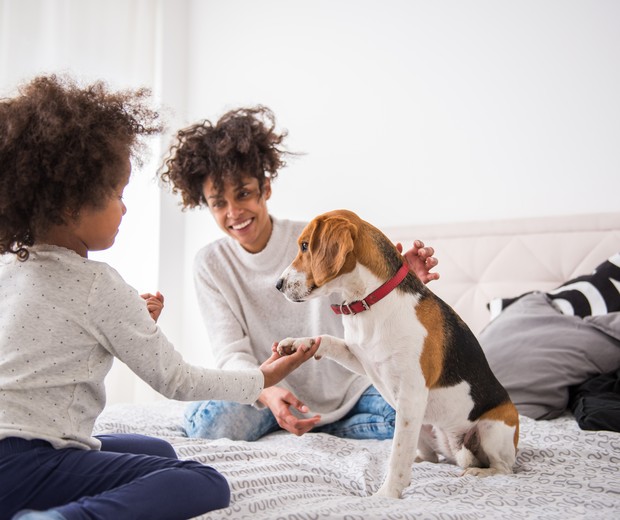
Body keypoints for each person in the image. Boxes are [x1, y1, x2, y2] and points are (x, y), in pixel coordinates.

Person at [0, 76, 319, 520]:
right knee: (200, 480)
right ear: (71, 204)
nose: (125, 209)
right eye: (117, 194)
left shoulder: (7, 268)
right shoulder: (97, 284)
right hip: (24, 464)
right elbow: (178, 381)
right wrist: (262, 379)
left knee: (156, 449)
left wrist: (133, 323)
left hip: (14, 449)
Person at [158, 106, 439, 442]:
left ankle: (321, 424)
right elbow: (231, 352)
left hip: (348, 388)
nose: (234, 212)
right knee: (210, 426)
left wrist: (397, 284)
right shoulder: (210, 263)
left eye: (244, 193)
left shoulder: (315, 239)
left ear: (265, 189)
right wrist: (266, 391)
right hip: (266, 388)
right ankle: (307, 422)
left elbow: (362, 303)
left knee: (421, 419)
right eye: (219, 203)